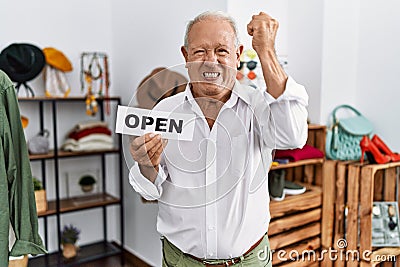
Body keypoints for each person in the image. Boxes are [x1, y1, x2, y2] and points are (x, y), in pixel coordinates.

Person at [129, 11, 308, 267]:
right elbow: (150, 189)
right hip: (181, 260)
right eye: (200, 51)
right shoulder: (165, 111)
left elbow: (293, 135)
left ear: (238, 55)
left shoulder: (258, 106)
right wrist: (148, 164)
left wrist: (266, 50)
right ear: (186, 56)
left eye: (222, 51)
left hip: (250, 261)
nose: (210, 61)